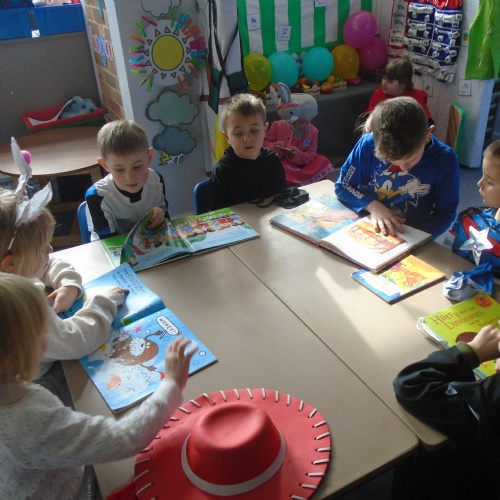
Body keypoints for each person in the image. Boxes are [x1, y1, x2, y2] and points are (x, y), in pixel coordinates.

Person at [0, 272, 196, 498]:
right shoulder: (29, 417)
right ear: (14, 356)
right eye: (43, 331)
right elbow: (125, 438)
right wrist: (171, 385)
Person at [0, 188, 125, 406]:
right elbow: (77, 340)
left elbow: (48, 263)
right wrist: (102, 301)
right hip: (35, 385)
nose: (50, 249)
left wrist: (69, 284)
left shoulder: (12, 271)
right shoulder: (19, 310)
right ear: (10, 263)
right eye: (42, 248)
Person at [334, 96, 459, 240]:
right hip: (368, 223)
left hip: (411, 234)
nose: (403, 168)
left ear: (427, 134)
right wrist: (373, 206)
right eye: (391, 161)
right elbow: (343, 185)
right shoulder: (368, 143)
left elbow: (445, 213)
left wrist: (420, 238)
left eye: (411, 160)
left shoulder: (445, 159)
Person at [86, 120, 169, 240]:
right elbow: (108, 242)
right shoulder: (96, 196)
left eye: (137, 167)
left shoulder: (156, 179)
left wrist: (161, 215)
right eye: (119, 170)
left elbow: (166, 222)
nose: (130, 177)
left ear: (149, 157)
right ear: (105, 165)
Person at [209, 93, 286, 210]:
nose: (247, 138)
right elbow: (220, 215)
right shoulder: (223, 171)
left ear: (265, 130)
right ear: (227, 137)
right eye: (238, 133)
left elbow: (282, 201)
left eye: (254, 130)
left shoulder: (272, 161)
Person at [264, 82, 333, 185]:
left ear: (309, 119)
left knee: (322, 160)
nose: (296, 124)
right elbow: (264, 144)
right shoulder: (278, 125)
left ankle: (303, 180)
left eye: (301, 122)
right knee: (279, 166)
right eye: (293, 121)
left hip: (303, 165)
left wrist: (298, 154)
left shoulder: (313, 131)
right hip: (284, 163)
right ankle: (292, 180)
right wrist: (276, 146)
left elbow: (311, 154)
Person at [449, 140, 500, 276]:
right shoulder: (469, 219)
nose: (479, 183)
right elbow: (448, 257)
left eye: (489, 182)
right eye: (482, 176)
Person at [365, 58, 434, 126]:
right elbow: (368, 119)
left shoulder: (417, 97)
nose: (384, 83)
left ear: (404, 84)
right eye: (384, 78)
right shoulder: (378, 94)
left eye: (390, 81)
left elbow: (428, 124)